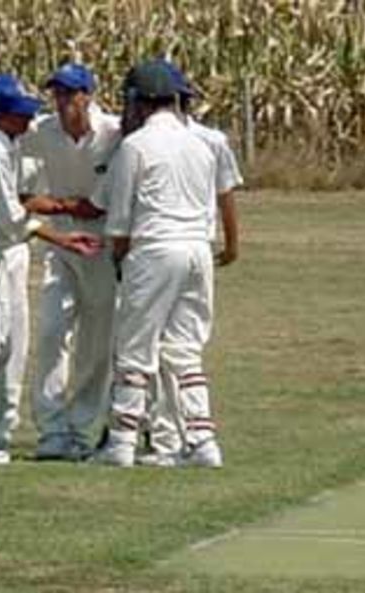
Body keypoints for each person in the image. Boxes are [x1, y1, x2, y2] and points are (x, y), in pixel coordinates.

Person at [0, 74, 102, 462]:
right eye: (21, 114)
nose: (29, 120)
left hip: (9, 248)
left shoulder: (9, 144)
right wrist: (60, 226)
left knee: (3, 344)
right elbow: (9, 217)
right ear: (3, 116)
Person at [92, 61, 222, 468]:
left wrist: (119, 257)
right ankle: (202, 442)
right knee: (184, 348)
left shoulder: (135, 147)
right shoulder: (202, 145)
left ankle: (122, 443)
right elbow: (209, 208)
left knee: (134, 347)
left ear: (139, 102)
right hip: (198, 250)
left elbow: (120, 219)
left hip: (155, 249)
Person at [132, 60, 243, 467]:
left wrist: (232, 244)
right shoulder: (146, 137)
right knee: (172, 349)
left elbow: (225, 192)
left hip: (164, 250)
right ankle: (176, 438)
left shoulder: (207, 140)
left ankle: (174, 439)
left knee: (163, 348)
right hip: (190, 252)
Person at [20, 63, 123, 460]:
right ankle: (52, 432)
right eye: (57, 94)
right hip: (61, 241)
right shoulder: (43, 131)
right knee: (50, 330)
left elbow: (100, 204)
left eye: (69, 94)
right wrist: (55, 205)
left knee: (95, 343)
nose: (62, 102)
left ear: (88, 95)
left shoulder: (113, 133)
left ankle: (81, 429)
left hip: (100, 246)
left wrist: (66, 205)